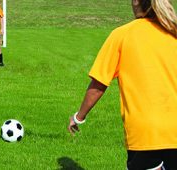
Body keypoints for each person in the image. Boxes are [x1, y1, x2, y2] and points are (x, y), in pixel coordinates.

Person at [68, 0, 177, 169]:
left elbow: (99, 85)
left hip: (146, 133)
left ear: (135, 2)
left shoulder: (122, 35)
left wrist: (78, 117)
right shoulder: (173, 33)